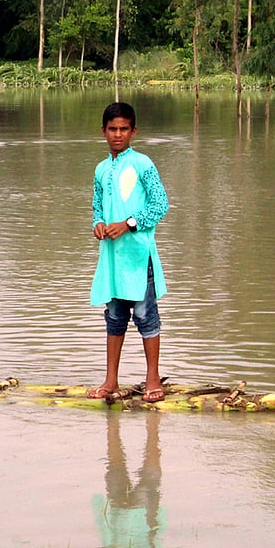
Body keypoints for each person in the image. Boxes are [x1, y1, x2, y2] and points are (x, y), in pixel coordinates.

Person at [87, 101, 169, 402]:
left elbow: (160, 205)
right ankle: (110, 381)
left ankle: (152, 379)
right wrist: (98, 223)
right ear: (103, 132)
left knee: (146, 314)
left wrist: (129, 224)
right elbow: (97, 204)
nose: (118, 135)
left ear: (134, 131)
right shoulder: (100, 169)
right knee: (114, 315)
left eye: (124, 129)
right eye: (112, 129)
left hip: (138, 252)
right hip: (111, 254)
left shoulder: (143, 164)